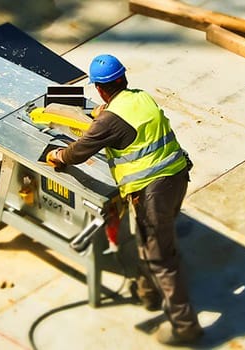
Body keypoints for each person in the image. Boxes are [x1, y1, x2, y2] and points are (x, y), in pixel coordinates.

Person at [45, 54, 202, 346]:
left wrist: (58, 155)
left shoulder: (108, 121)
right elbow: (125, 121)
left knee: (161, 257)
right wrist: (105, 113)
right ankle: (148, 293)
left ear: (100, 88)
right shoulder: (139, 98)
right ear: (123, 78)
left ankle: (186, 325)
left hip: (152, 192)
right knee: (151, 239)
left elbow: (79, 152)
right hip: (178, 177)